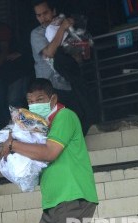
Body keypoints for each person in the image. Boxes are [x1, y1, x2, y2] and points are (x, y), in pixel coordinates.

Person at [0, 78, 98, 223]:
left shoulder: (64, 116)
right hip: (52, 205)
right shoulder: (38, 127)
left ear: (53, 99)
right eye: (31, 102)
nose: (35, 105)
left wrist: (13, 145)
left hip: (74, 200)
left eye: (40, 99)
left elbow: (49, 153)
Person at [30, 0, 97, 136]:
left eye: (45, 13)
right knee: (58, 124)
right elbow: (49, 52)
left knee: (82, 116)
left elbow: (78, 55)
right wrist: (62, 28)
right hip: (49, 87)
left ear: (53, 11)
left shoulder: (64, 27)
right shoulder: (37, 33)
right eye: (39, 15)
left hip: (68, 83)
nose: (43, 18)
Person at [0, 10, 34, 130]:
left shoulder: (1, 29)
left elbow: (4, 53)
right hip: (1, 75)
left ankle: (22, 132)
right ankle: (7, 131)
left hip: (15, 72)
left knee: (14, 103)